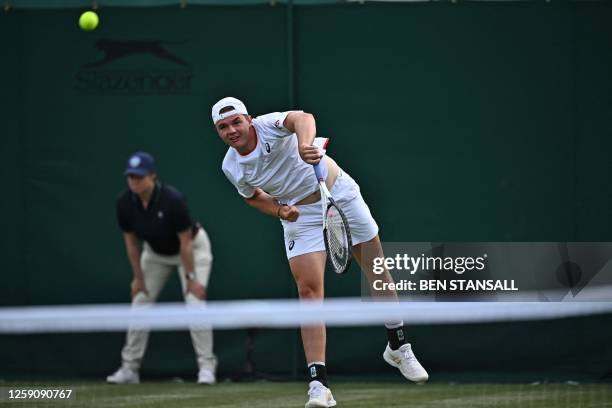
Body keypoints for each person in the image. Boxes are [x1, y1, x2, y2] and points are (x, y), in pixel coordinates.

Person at [212, 97, 428, 407]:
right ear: (218, 131)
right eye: (223, 127)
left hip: (338, 192)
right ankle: (318, 384)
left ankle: (398, 345)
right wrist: (278, 211)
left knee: (376, 270)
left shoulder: (269, 124)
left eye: (236, 122)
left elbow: (303, 117)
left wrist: (302, 145)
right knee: (309, 292)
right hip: (300, 216)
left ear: (248, 119)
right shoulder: (230, 166)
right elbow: (251, 196)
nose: (232, 130)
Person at [106, 151, 217, 385]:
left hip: (192, 250)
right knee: (139, 304)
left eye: (139, 176)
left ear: (152, 176)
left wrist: (191, 279)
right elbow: (131, 244)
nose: (134, 182)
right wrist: (138, 279)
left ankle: (206, 368)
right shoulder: (124, 203)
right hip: (155, 254)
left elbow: (185, 242)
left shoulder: (173, 200)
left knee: (195, 305)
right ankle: (130, 369)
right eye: (130, 177)